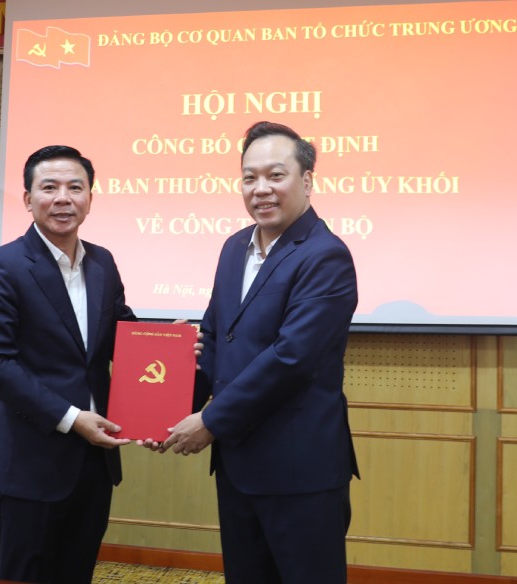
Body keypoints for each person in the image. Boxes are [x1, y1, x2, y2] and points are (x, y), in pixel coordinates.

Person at [158, 121, 360, 583]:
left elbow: (291, 359)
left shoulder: (325, 255)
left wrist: (208, 421)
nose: (260, 189)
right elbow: (213, 339)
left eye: (275, 175)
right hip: (238, 464)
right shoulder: (234, 248)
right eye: (249, 177)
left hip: (300, 471)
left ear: (307, 181)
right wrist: (166, 412)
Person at [0, 145, 135, 583]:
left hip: (95, 462)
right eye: (50, 187)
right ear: (28, 199)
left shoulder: (103, 263)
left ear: (90, 198)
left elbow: (122, 335)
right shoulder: (1, 267)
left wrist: (169, 346)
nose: (64, 198)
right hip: (33, 463)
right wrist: (72, 417)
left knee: (77, 574)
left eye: (75, 187)